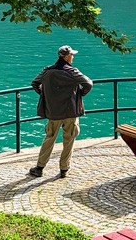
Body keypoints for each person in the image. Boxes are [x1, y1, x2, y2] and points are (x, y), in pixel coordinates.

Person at [29, 45, 93, 177]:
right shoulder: (72, 72)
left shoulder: (48, 71)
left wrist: (44, 95)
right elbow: (88, 84)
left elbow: (35, 83)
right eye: (72, 55)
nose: (73, 57)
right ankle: (64, 169)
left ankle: (40, 168)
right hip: (70, 111)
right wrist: (80, 94)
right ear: (67, 56)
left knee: (49, 138)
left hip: (53, 111)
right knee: (69, 139)